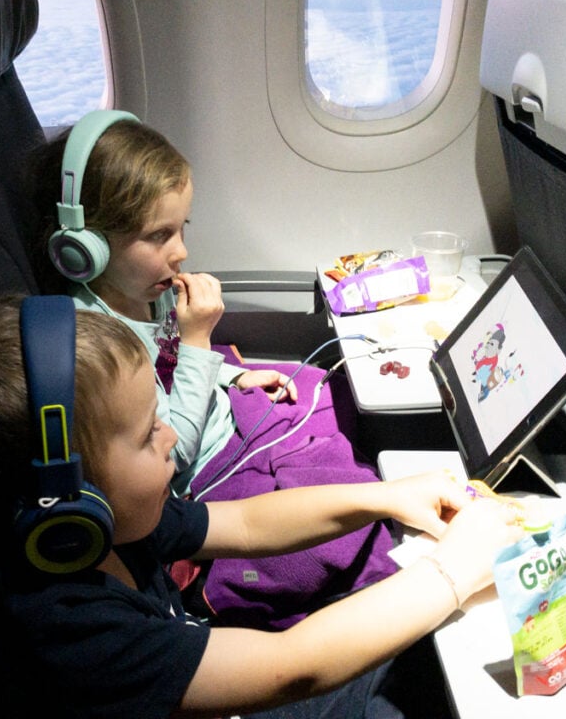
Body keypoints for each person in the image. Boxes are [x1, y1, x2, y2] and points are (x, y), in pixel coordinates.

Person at [0, 293, 523, 719]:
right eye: (150, 432)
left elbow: (247, 523)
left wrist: (385, 496)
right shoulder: (68, 626)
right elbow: (293, 668)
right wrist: (452, 571)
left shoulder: (112, 527)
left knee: (410, 627)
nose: (173, 435)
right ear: (66, 499)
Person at [28, 111, 396, 629]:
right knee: (329, 541)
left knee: (325, 387)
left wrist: (230, 375)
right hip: (202, 471)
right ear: (84, 248)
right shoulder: (96, 339)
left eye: (181, 229)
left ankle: (360, 490)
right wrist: (200, 339)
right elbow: (171, 457)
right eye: (158, 236)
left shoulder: (138, 291)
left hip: (222, 416)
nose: (181, 252)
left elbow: (171, 358)